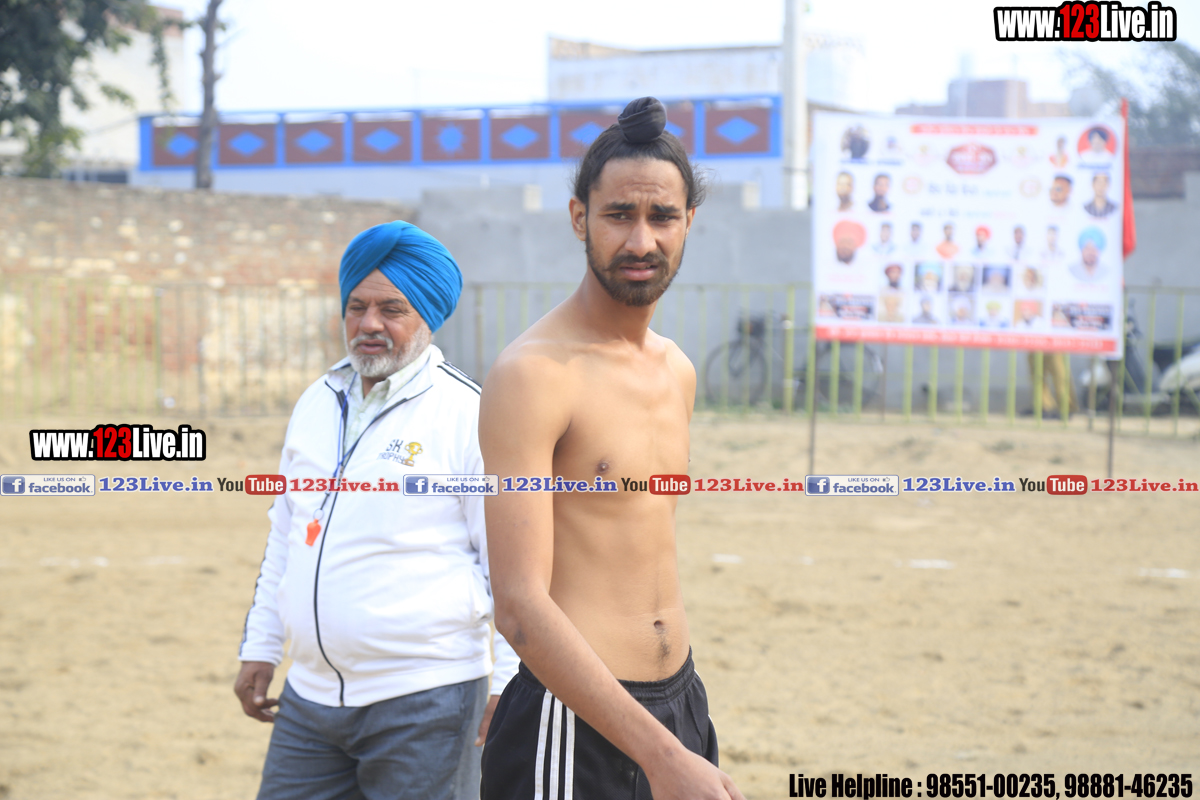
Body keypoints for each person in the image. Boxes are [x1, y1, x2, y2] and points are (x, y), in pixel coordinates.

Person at [477, 97, 743, 800]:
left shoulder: (677, 370)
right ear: (579, 218)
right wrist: (661, 756)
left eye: (662, 217)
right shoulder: (534, 374)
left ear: (689, 222)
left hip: (680, 701)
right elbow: (520, 605)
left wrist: (674, 742)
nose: (641, 240)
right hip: (572, 724)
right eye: (619, 215)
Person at [236, 220, 519, 800]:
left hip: (428, 700)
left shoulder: (469, 415)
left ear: (428, 316)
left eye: (392, 309)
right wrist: (261, 645)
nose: (369, 324)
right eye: (357, 307)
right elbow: (286, 534)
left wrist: (511, 681)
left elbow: (513, 563)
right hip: (309, 699)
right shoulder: (316, 403)